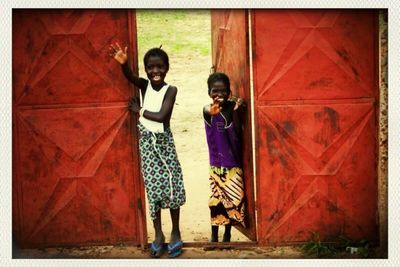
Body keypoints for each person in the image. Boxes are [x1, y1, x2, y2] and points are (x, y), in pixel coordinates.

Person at [109, 43, 186, 258]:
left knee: (172, 184)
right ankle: (158, 234)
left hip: (164, 142)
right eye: (150, 68)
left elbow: (161, 116)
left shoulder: (171, 89)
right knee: (153, 188)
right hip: (146, 143)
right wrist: (124, 64)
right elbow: (131, 77)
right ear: (146, 69)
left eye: (160, 67)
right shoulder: (145, 85)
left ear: (167, 68)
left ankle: (176, 232)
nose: (155, 72)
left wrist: (140, 110)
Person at [203, 72, 246, 243]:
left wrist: (236, 111)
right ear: (209, 92)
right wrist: (210, 110)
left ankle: (227, 234)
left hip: (233, 164)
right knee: (216, 201)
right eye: (215, 91)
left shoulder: (232, 108)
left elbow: (236, 132)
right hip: (216, 165)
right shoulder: (208, 110)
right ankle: (214, 235)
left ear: (229, 92)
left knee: (233, 201)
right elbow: (207, 110)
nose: (219, 95)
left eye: (223, 92)